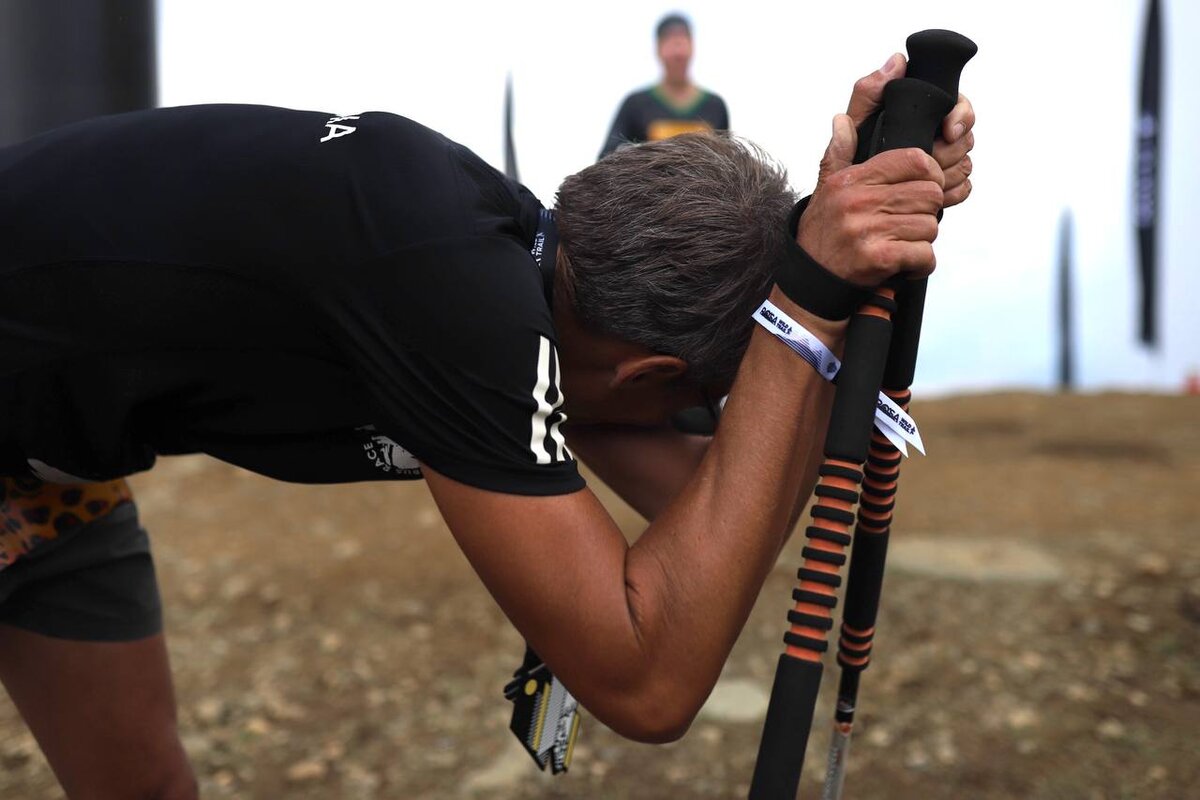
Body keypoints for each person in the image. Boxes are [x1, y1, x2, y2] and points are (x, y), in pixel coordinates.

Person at [0, 51, 974, 799]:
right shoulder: (455, 307)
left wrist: (840, 248)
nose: (693, 422)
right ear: (652, 373)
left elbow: (716, 501)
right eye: (693, 398)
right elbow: (649, 684)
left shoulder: (520, 264)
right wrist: (802, 305)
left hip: (44, 465)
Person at [599, 13, 730, 159]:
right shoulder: (635, 104)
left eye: (683, 43)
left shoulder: (715, 106)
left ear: (692, 47)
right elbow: (606, 159)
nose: (678, 52)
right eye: (671, 44)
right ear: (658, 49)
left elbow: (730, 162)